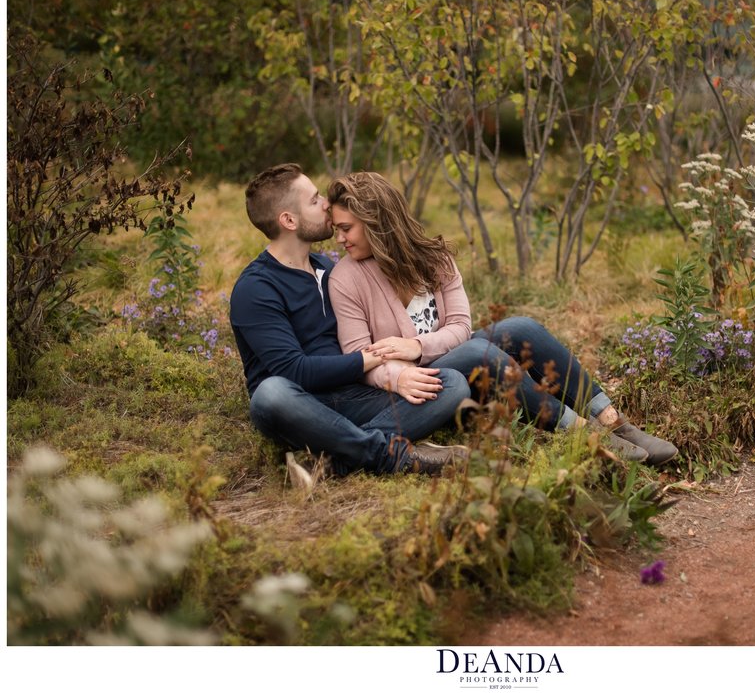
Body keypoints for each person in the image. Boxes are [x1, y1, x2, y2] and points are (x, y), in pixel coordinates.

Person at [326, 171, 679, 466]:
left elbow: (461, 327)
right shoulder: (346, 278)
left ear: (378, 222)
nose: (339, 239)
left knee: (520, 328)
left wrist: (416, 346)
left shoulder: (434, 259)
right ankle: (582, 434)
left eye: (347, 228)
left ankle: (614, 423)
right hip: (420, 386)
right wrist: (402, 375)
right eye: (337, 229)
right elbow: (361, 356)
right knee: (478, 350)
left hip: (458, 361)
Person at [229, 163, 472, 480]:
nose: (326, 204)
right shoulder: (256, 289)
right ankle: (391, 454)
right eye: (315, 199)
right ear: (288, 220)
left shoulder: (326, 269)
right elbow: (294, 371)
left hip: (354, 396)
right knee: (270, 393)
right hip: (299, 406)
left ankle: (334, 460)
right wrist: (371, 358)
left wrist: (396, 372)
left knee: (451, 384)